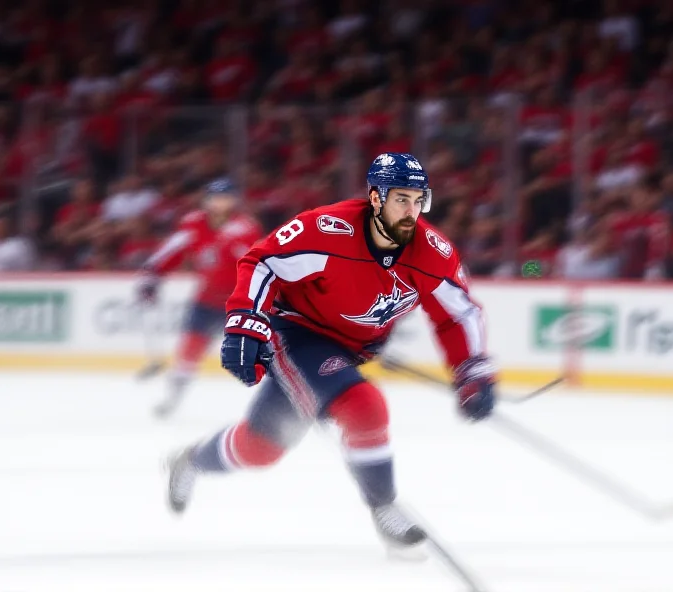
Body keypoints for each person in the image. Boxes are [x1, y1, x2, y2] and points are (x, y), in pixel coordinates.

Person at [165, 153, 496, 549]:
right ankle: (383, 505)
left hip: (347, 348)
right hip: (295, 333)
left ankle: (191, 460)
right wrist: (246, 322)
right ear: (375, 198)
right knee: (363, 405)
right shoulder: (326, 230)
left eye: (418, 200)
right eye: (400, 199)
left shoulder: (432, 252)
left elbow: (457, 315)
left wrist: (472, 371)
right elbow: (262, 263)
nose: (411, 212)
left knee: (262, 448)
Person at [136, 178, 263, 417]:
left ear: (234, 200)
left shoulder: (244, 227)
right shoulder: (194, 223)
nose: (219, 202)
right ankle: (172, 400)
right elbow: (173, 250)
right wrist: (152, 274)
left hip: (241, 302)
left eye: (225, 197)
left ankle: (280, 403)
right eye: (215, 198)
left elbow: (252, 261)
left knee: (259, 354)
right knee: (189, 351)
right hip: (207, 299)